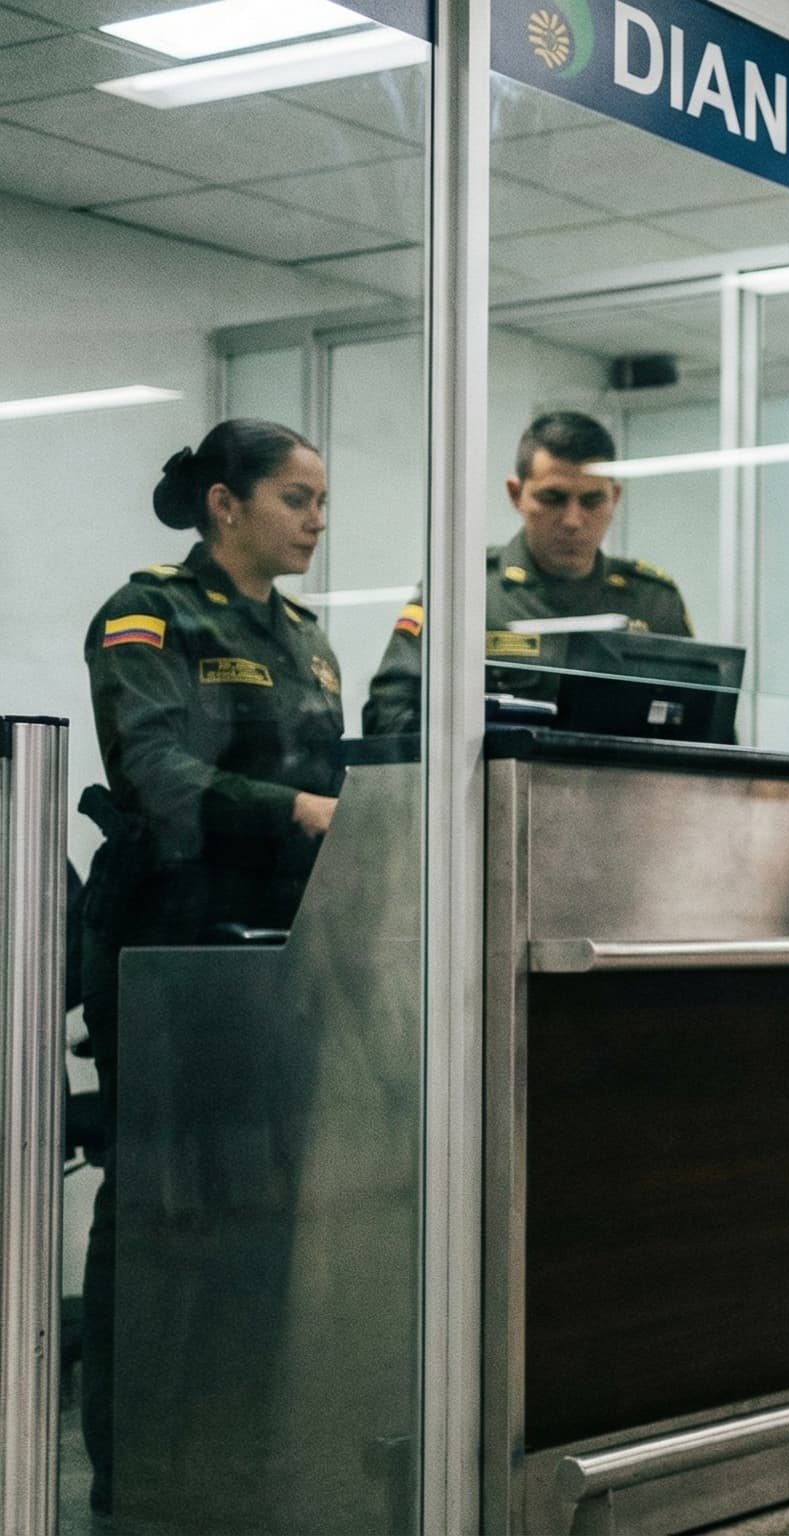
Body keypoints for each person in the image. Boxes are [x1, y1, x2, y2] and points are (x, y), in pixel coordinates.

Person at [76, 419, 344, 1514]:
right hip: (169, 935)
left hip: (282, 943)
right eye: (296, 498)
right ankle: (132, 1461)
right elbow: (155, 772)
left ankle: (235, 1441)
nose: (318, 520)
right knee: (156, 1199)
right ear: (224, 505)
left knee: (264, 1197)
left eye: (323, 500)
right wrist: (296, 809)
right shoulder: (148, 614)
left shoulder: (308, 635)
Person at [362, 410, 690, 734]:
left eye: (591, 501)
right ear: (516, 494)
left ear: (614, 498)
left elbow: (709, 731)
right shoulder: (464, 589)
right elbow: (388, 719)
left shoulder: (653, 601)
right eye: (553, 499)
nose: (573, 521)